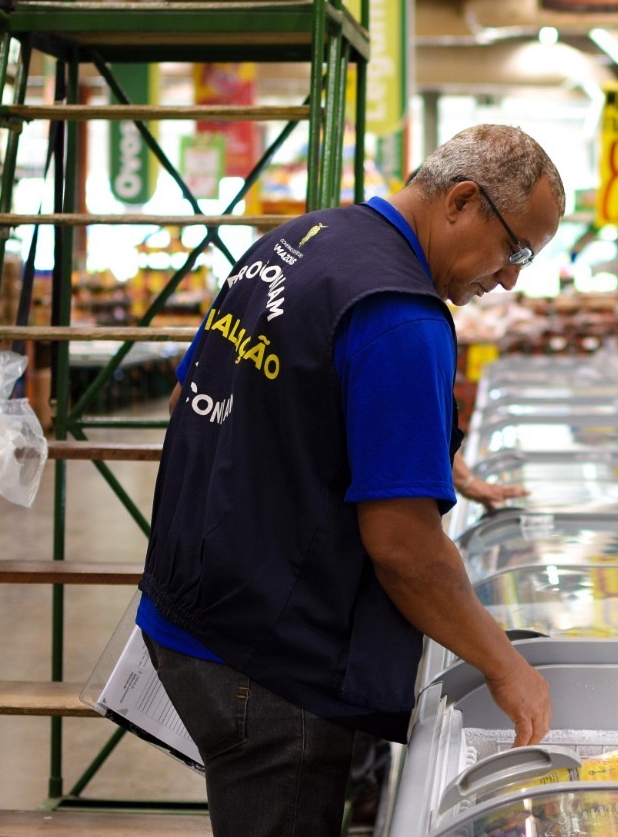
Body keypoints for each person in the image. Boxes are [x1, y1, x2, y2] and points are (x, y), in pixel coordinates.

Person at [141, 125, 563, 836]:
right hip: (271, 662)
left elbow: (200, 398)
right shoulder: (402, 313)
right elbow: (405, 551)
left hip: (185, 612)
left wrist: (410, 450)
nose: (510, 277)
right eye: (515, 248)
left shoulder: (294, 242)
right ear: (463, 201)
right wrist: (505, 666)